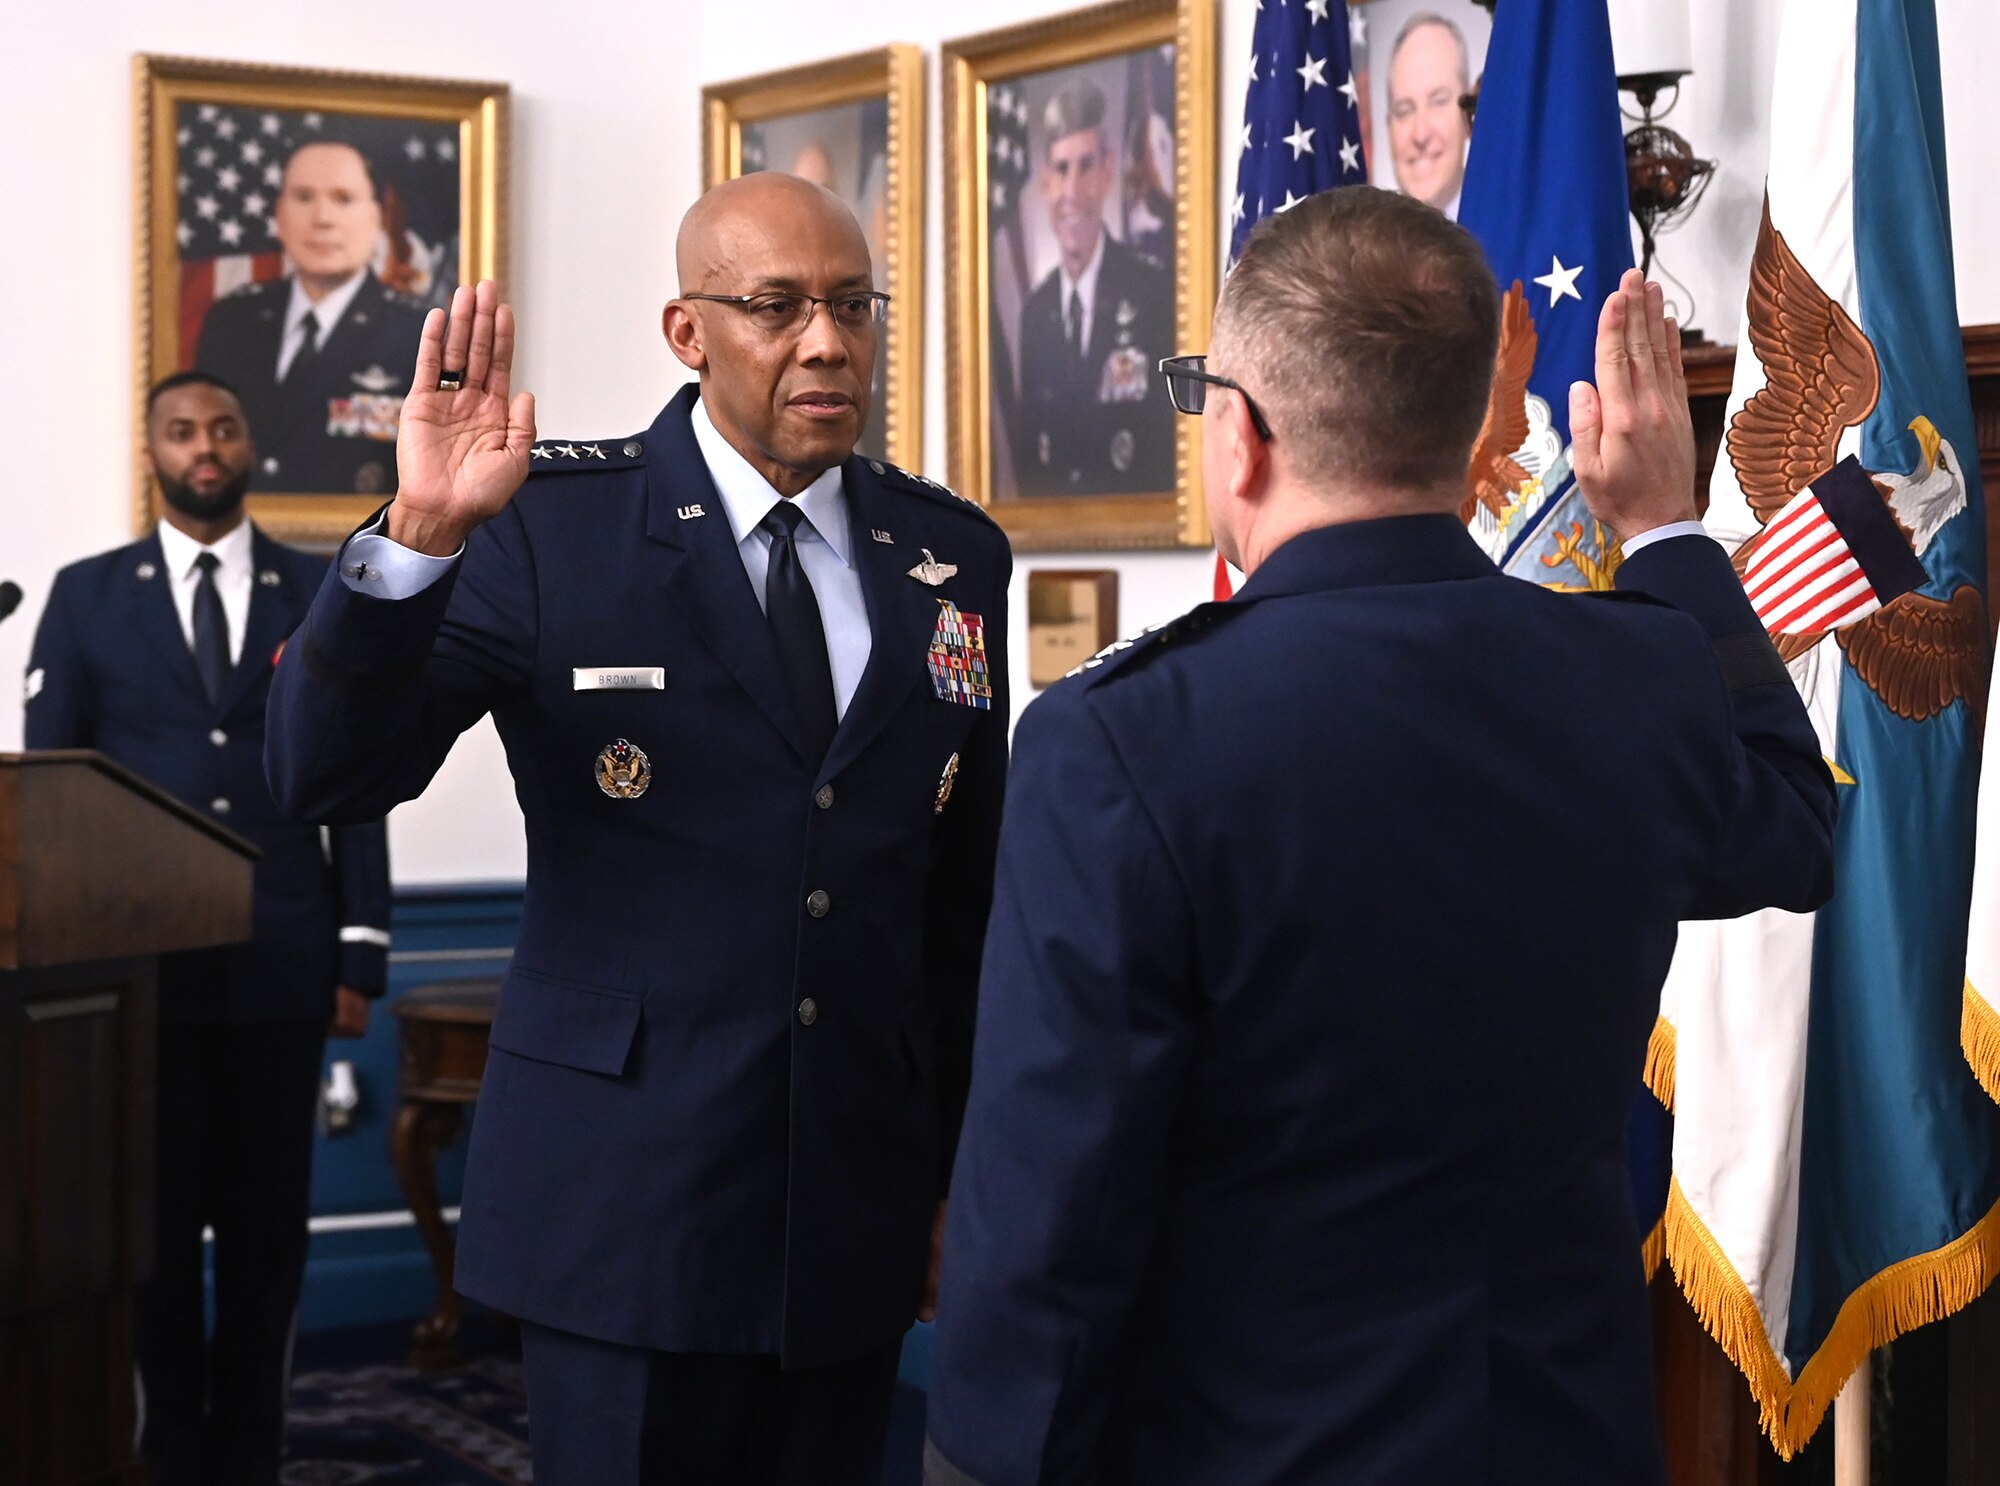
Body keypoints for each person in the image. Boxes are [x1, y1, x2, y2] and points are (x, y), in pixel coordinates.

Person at [923, 188, 1836, 1485]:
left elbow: (1048, 1222)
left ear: (1236, 437)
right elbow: (1793, 830)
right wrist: (1668, 533)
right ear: (1475, 427)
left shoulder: (1123, 739)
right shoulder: (1630, 680)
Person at [264, 172, 1012, 1485]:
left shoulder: (948, 556)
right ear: (688, 331)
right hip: (625, 1199)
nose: (825, 339)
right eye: (776, 306)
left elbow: (962, 903)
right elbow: (319, 776)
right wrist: (421, 536)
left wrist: (957, 1178)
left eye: (850, 305)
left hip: (851, 1196)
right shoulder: (552, 530)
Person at [24, 370, 391, 1485]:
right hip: (135, 978)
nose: (203, 446)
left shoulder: (318, 587)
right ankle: (167, 1445)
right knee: (154, 1236)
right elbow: (50, 780)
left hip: (280, 959)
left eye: (221, 427)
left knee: (268, 1232)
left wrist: (360, 948)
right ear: (151, 451)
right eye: (181, 430)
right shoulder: (87, 596)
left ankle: (252, 1451)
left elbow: (355, 778)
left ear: (248, 447)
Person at [193, 138, 426, 496]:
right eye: (304, 197)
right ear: (279, 214)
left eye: (343, 199)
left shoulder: (415, 336)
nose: (322, 219)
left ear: (377, 217)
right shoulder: (232, 323)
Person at [1011, 79, 1174, 497]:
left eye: (1086, 166)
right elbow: (1031, 462)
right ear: (1045, 181)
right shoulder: (1036, 313)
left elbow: (1169, 441)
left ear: (1106, 170)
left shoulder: (1152, 289)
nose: (1072, 193)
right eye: (1061, 169)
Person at [1386, 13, 1473, 216]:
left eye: (1439, 102)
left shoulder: (1509, 232)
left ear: (1469, 115)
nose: (1421, 134)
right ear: (1388, 128)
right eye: (1404, 111)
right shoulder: (1359, 243)